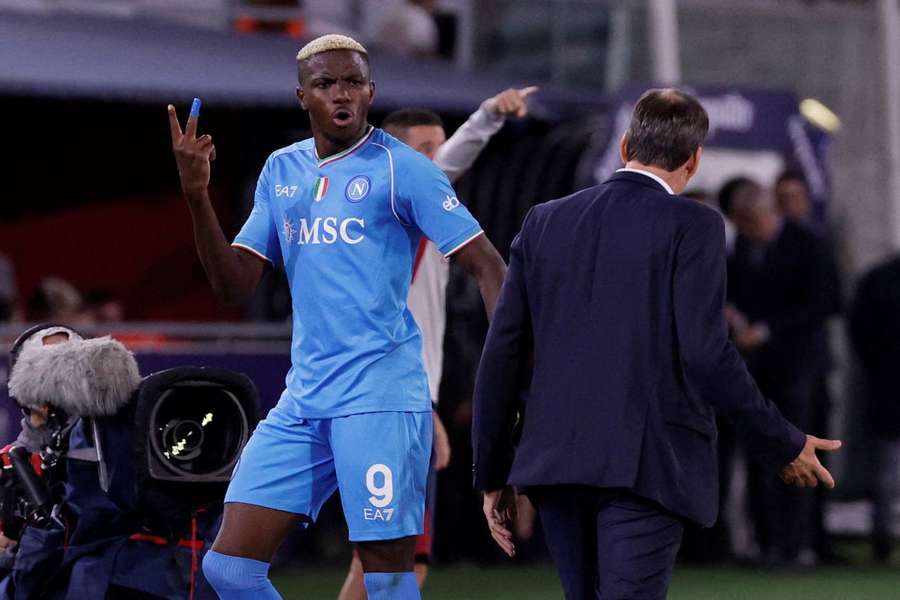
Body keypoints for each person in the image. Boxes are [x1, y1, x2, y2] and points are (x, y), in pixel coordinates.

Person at [167, 34, 506, 600]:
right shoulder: (282, 170)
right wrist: (196, 196)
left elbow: (489, 267)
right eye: (326, 84)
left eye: (352, 82)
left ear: (371, 91)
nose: (340, 93)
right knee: (228, 569)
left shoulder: (403, 170)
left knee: (388, 580)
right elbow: (233, 284)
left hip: (379, 397)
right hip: (305, 400)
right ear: (303, 96)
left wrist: (506, 376)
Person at [471, 88, 841, 599]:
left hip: (556, 464)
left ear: (625, 146)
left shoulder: (545, 221)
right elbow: (707, 354)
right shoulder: (695, 224)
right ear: (694, 160)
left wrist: (492, 470)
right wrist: (783, 440)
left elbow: (502, 352)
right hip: (644, 465)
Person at [338, 86, 536, 599]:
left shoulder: (420, 214)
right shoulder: (395, 201)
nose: (435, 161)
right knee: (395, 559)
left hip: (406, 398)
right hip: (390, 399)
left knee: (396, 560)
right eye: (425, 151)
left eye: (437, 148)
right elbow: (452, 161)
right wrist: (489, 113)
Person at [727, 183, 839, 567]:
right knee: (762, 455)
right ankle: (768, 541)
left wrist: (767, 329)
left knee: (802, 452)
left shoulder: (807, 244)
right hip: (759, 373)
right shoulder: (742, 248)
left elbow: (825, 301)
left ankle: (802, 543)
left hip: (800, 370)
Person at [849, 256, 900, 562]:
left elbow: (860, 331)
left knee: (887, 471)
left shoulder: (879, 277)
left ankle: (882, 539)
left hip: (887, 387)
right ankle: (881, 539)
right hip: (889, 389)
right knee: (887, 471)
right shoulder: (880, 279)